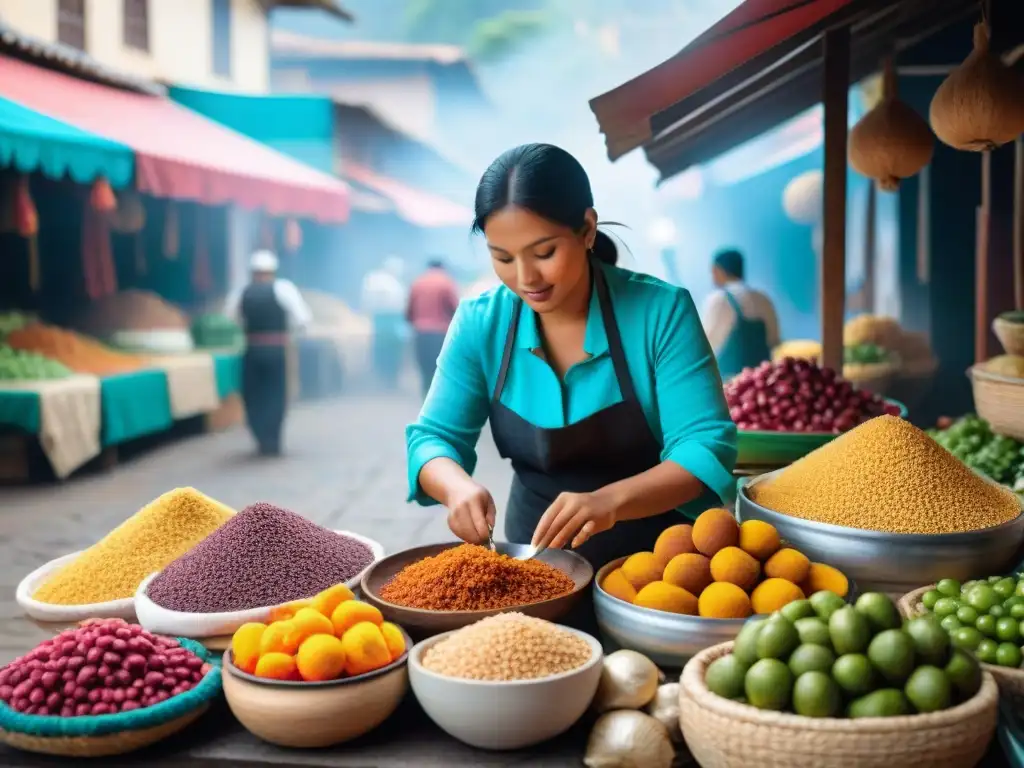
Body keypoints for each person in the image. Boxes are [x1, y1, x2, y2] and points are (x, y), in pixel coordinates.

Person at [405, 143, 736, 571]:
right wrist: (455, 488)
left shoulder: (660, 311)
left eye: (544, 253)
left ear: (587, 229)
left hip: (659, 565)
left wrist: (610, 502)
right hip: (536, 557)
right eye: (502, 257)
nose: (526, 278)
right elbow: (432, 439)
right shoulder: (479, 323)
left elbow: (704, 445)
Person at [225, 250, 312, 457]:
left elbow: (230, 320)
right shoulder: (284, 289)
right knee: (276, 394)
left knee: (254, 395)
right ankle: (272, 439)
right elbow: (303, 319)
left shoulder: (241, 292)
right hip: (276, 349)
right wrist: (290, 336)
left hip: (252, 350)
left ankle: (262, 438)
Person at [699, 249, 780, 380]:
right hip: (762, 383)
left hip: (730, 384)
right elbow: (774, 340)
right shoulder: (763, 298)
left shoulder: (719, 299)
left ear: (717, 270)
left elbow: (705, 346)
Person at [406, 259, 460, 396]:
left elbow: (409, 312)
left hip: (420, 333)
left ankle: (426, 398)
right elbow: (455, 309)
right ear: (442, 267)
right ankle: (438, 400)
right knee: (440, 368)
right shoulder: (446, 283)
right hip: (440, 333)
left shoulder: (417, 283)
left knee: (424, 369)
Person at [361, 257, 407, 389]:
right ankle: (386, 377)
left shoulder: (387, 281)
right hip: (385, 318)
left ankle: (388, 377)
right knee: (386, 349)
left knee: (388, 349)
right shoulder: (377, 279)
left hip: (391, 318)